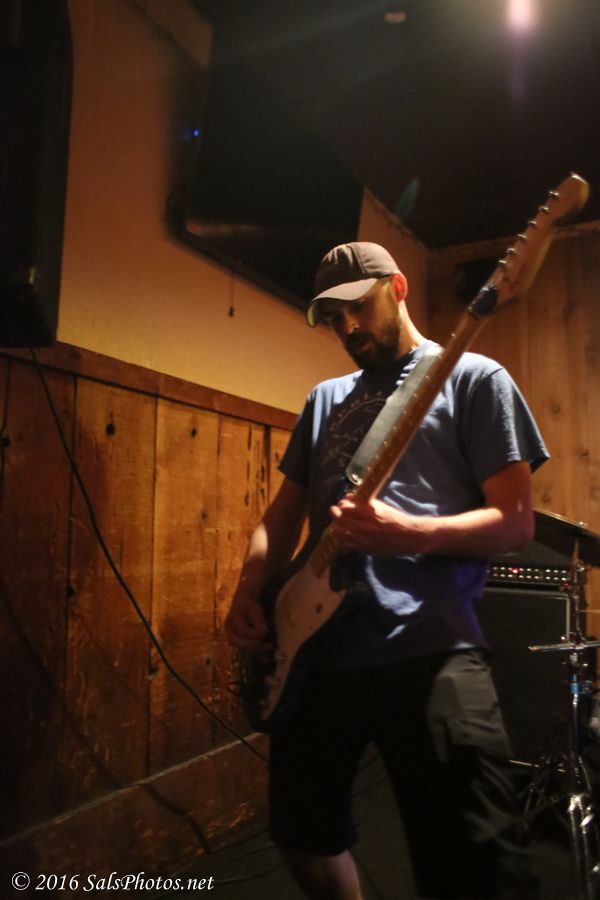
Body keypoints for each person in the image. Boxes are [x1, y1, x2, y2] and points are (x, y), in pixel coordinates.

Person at [225, 241, 548, 900]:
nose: (346, 327)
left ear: (398, 288)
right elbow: (279, 520)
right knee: (299, 832)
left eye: (358, 308)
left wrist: (411, 535)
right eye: (331, 317)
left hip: (431, 646)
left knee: (479, 865)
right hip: (316, 653)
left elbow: (517, 522)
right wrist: (249, 588)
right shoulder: (323, 400)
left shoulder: (475, 379)